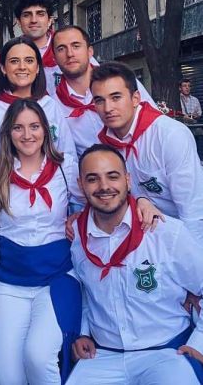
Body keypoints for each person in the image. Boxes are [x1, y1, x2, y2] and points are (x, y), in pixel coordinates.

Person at [67, 144, 203, 385]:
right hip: (103, 356)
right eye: (92, 179)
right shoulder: (78, 237)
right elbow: (86, 292)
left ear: (128, 181)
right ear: (81, 185)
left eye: (113, 176)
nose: (104, 186)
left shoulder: (166, 233)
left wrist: (198, 342)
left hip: (165, 353)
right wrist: (84, 332)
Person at [0, 98, 84, 384]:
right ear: (8, 133)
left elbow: (97, 205)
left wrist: (77, 218)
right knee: (6, 374)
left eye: (35, 126)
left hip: (56, 279)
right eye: (19, 128)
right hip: (10, 283)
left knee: (37, 357)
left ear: (46, 130)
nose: (27, 135)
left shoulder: (67, 168)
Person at [91, 62, 203, 245]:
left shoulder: (170, 135)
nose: (107, 108)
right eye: (99, 100)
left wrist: (194, 263)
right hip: (138, 236)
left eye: (116, 97)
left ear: (136, 98)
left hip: (178, 236)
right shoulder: (104, 145)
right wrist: (139, 198)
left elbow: (193, 213)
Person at [51, 25, 156, 158]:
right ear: (54, 58)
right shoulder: (54, 106)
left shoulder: (121, 81)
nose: (70, 54)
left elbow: (153, 123)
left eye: (76, 46)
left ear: (90, 51)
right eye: (61, 49)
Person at [0, 36, 76, 162]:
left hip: (51, 181)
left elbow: (68, 154)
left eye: (29, 61)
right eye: (14, 61)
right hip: (2, 179)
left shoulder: (50, 105)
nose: (22, 67)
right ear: (3, 68)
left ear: (37, 68)